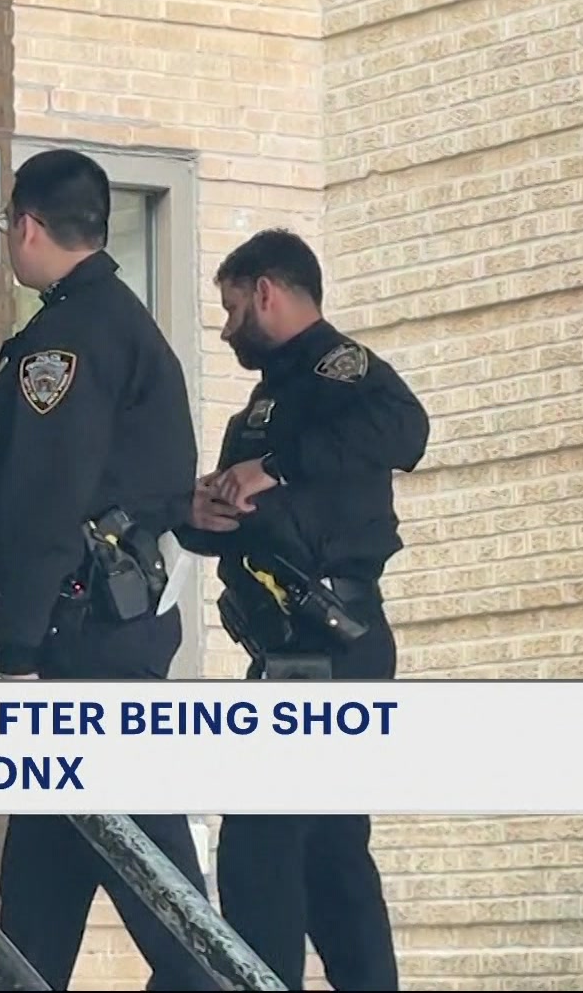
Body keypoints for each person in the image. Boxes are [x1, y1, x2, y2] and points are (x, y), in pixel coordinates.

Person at [0, 148, 217, 992]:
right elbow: (90, 487)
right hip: (100, 640)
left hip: (80, 658)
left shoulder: (67, 339)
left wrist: (18, 654)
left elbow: (52, 500)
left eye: (7, 223)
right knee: (35, 924)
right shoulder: (117, 322)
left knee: (180, 932)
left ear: (29, 227)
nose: (9, 237)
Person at [175, 228, 430, 992]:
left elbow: (407, 430)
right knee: (328, 857)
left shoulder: (339, 369)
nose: (226, 330)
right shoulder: (265, 403)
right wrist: (198, 512)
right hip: (286, 651)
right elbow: (243, 515)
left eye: (231, 309)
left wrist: (276, 467)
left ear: (267, 293)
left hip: (333, 640)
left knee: (261, 848)